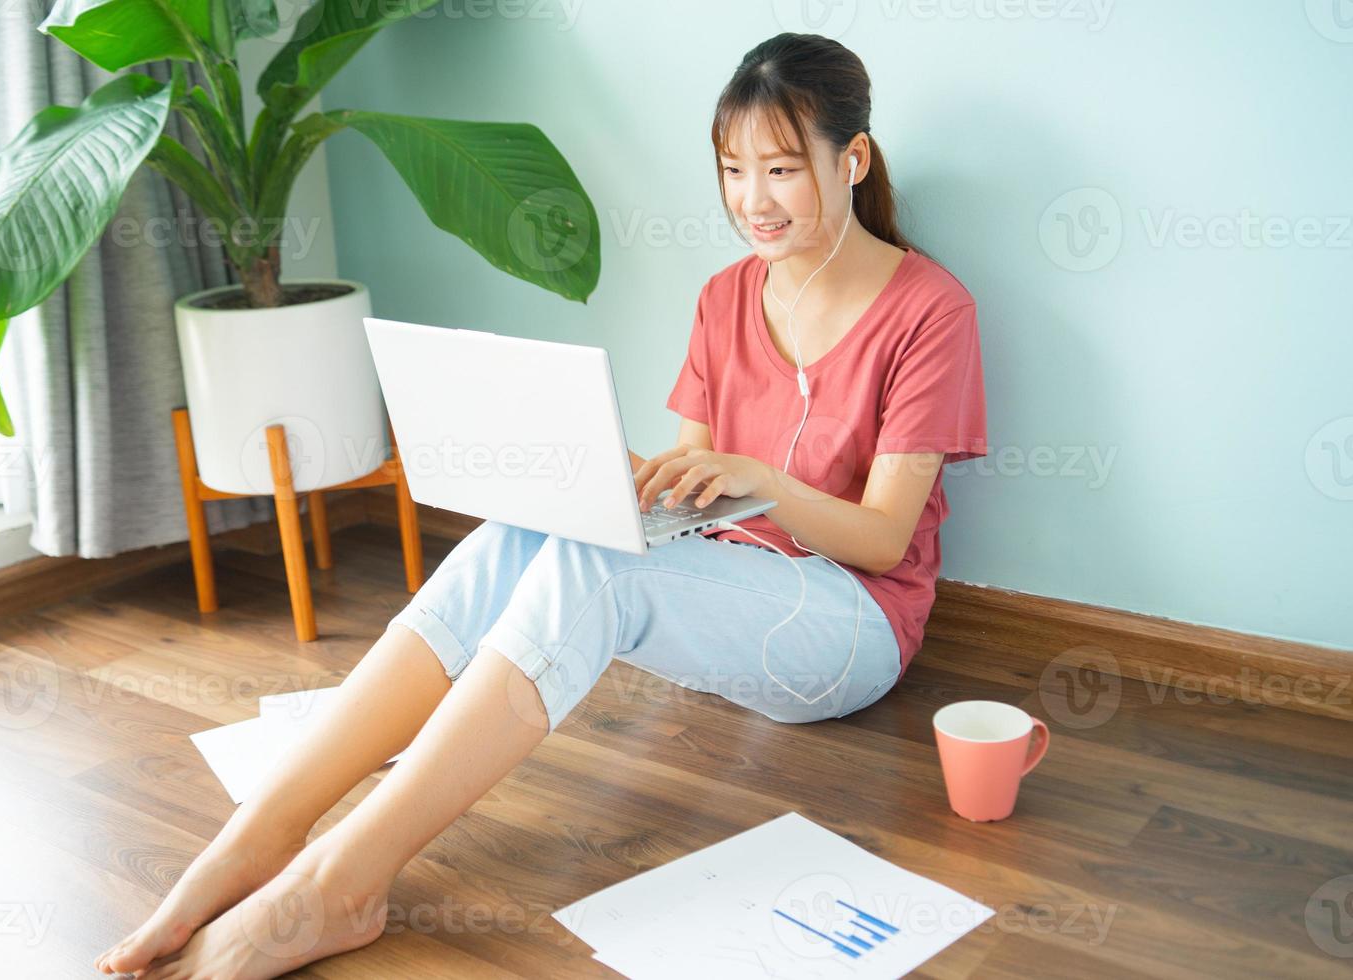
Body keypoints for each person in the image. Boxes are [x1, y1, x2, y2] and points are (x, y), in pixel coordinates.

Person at [96, 31, 988, 980]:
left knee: (597, 566)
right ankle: (260, 834)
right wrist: (624, 479)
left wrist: (763, 479)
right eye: (732, 170)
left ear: (851, 160)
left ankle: (339, 884)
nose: (751, 200)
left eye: (780, 169)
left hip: (851, 628)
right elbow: (692, 473)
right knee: (530, 529)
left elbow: (888, 541)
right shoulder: (727, 295)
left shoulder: (931, 309)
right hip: (725, 589)